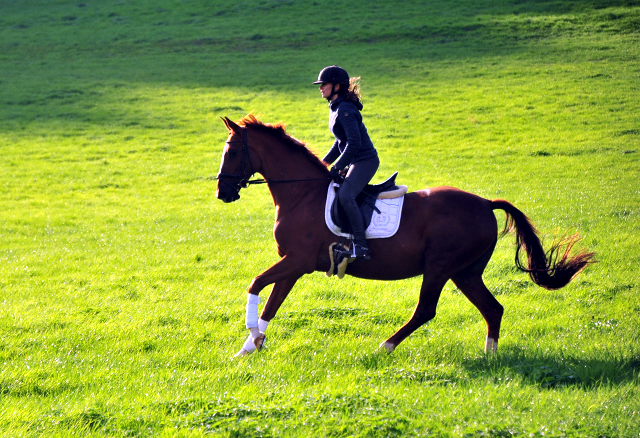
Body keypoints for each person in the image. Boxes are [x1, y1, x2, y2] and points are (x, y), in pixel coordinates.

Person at [314, 65, 379, 260]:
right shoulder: (335, 108)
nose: (320, 87)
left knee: (345, 196)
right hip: (354, 160)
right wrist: (322, 164)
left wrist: (338, 166)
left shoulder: (345, 109)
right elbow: (340, 141)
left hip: (365, 161)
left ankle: (361, 246)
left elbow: (354, 143)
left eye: (323, 84)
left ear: (336, 86)